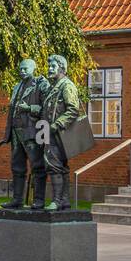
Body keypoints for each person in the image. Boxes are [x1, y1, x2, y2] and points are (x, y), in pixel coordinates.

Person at [0, 58, 50, 209]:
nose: (22, 71)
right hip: (16, 133)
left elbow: (47, 108)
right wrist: (6, 135)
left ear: (34, 68)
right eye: (21, 68)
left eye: (26, 68)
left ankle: (39, 200)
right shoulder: (16, 87)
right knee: (17, 167)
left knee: (38, 166)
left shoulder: (41, 84)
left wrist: (29, 108)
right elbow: (11, 112)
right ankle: (17, 200)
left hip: (32, 131)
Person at [41, 54, 81, 211]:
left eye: (53, 66)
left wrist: (56, 124)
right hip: (50, 132)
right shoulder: (54, 87)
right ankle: (63, 200)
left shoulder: (66, 86)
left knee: (55, 164)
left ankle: (57, 200)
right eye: (49, 66)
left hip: (59, 132)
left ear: (62, 68)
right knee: (59, 165)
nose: (49, 69)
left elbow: (73, 109)